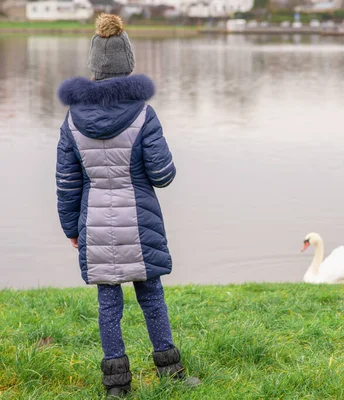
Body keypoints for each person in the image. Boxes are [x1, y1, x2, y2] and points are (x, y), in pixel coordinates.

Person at [55, 13, 199, 397]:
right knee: (151, 295)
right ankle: (171, 372)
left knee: (108, 303)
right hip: (139, 220)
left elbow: (67, 183)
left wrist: (72, 229)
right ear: (129, 62)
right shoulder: (143, 113)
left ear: (94, 66)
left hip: (95, 223)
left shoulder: (72, 119)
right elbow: (163, 174)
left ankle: (116, 385)